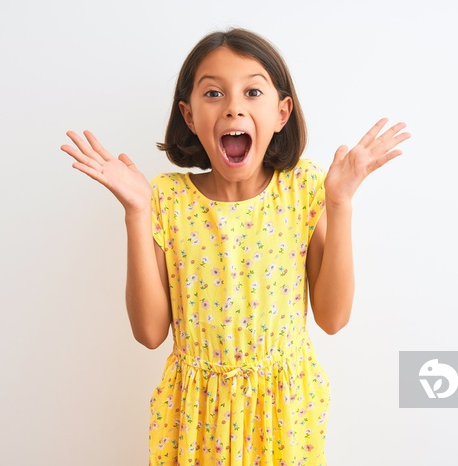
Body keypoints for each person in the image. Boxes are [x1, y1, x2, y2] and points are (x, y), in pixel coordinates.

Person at [61, 28, 409, 466]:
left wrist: (339, 205)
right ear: (188, 116)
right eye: (213, 93)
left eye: (252, 91)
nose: (233, 108)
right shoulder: (166, 199)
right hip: (193, 415)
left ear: (282, 112)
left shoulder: (303, 188)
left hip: (284, 413)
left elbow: (333, 318)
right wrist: (136, 212)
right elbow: (150, 334)